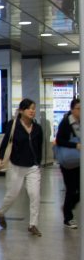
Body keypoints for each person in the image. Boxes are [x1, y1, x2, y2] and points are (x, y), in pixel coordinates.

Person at [0, 98, 44, 236]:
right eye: (29, 108)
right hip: (15, 166)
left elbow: (39, 147)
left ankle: (33, 224)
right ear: (21, 110)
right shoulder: (13, 125)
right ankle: (1, 212)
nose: (32, 111)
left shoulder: (37, 128)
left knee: (35, 195)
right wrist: (0, 158)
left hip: (32, 167)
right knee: (12, 195)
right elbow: (6, 141)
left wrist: (38, 162)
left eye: (34, 108)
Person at [55, 97, 80, 229]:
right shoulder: (66, 123)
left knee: (79, 190)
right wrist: (75, 145)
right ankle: (68, 217)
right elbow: (59, 140)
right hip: (68, 162)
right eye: (78, 108)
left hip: (80, 161)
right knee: (71, 189)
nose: (80, 111)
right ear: (72, 109)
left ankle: (67, 207)